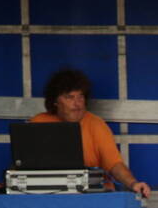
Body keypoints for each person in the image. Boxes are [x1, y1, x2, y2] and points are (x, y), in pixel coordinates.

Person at [30, 68, 151, 198]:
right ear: (55, 102)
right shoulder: (38, 122)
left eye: (80, 96)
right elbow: (24, 163)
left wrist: (133, 183)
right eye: (69, 97)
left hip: (92, 197)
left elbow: (114, 163)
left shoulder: (96, 124)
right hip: (49, 196)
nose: (77, 104)